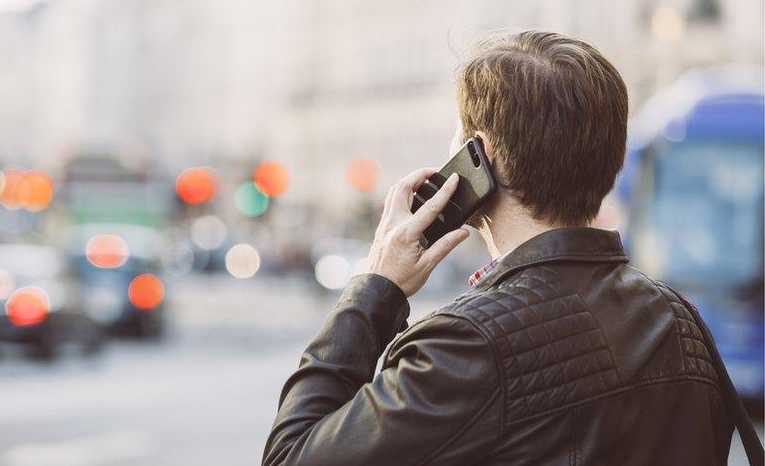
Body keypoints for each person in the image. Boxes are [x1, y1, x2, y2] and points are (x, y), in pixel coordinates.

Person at [263, 31, 758, 465]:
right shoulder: (680, 321)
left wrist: (377, 286)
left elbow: (291, 455)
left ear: (482, 157)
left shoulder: (469, 347)